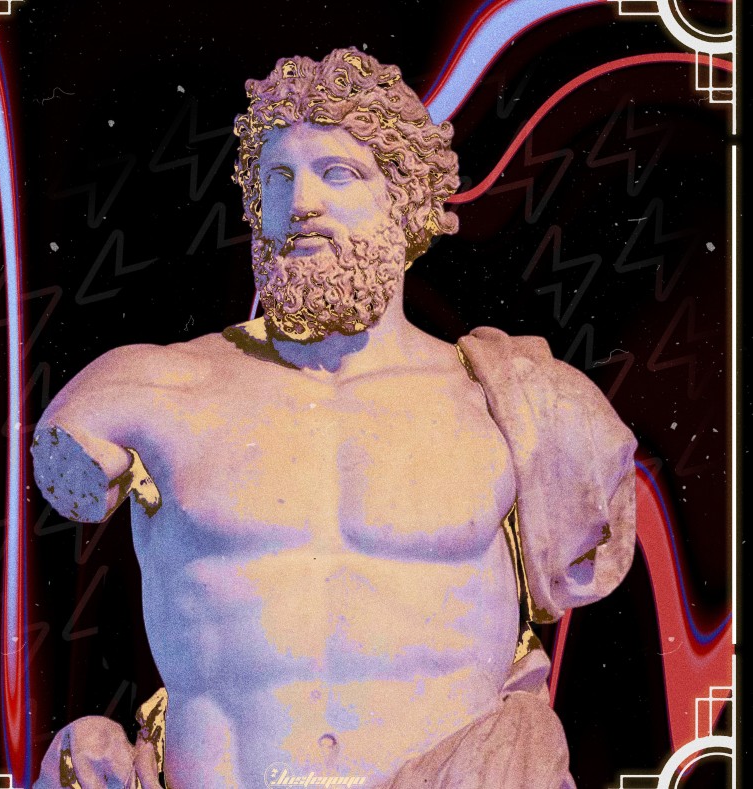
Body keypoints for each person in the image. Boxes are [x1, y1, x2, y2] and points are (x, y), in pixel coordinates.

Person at [32, 48, 636, 789]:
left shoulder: (518, 407)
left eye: (337, 173)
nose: (302, 203)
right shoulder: (147, 391)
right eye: (277, 178)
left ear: (405, 201)